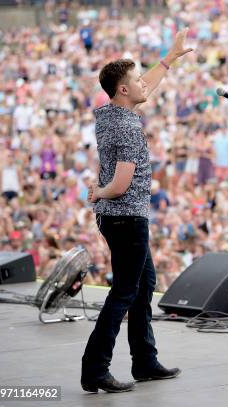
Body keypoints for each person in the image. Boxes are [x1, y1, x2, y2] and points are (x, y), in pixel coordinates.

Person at [81, 29, 192, 393]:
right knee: (126, 292)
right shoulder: (128, 127)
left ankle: (144, 361)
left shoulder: (108, 113)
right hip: (127, 217)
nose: (145, 84)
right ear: (124, 90)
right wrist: (99, 192)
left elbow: (144, 84)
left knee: (144, 286)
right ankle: (95, 368)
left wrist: (170, 58)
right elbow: (121, 184)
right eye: (137, 80)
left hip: (118, 218)